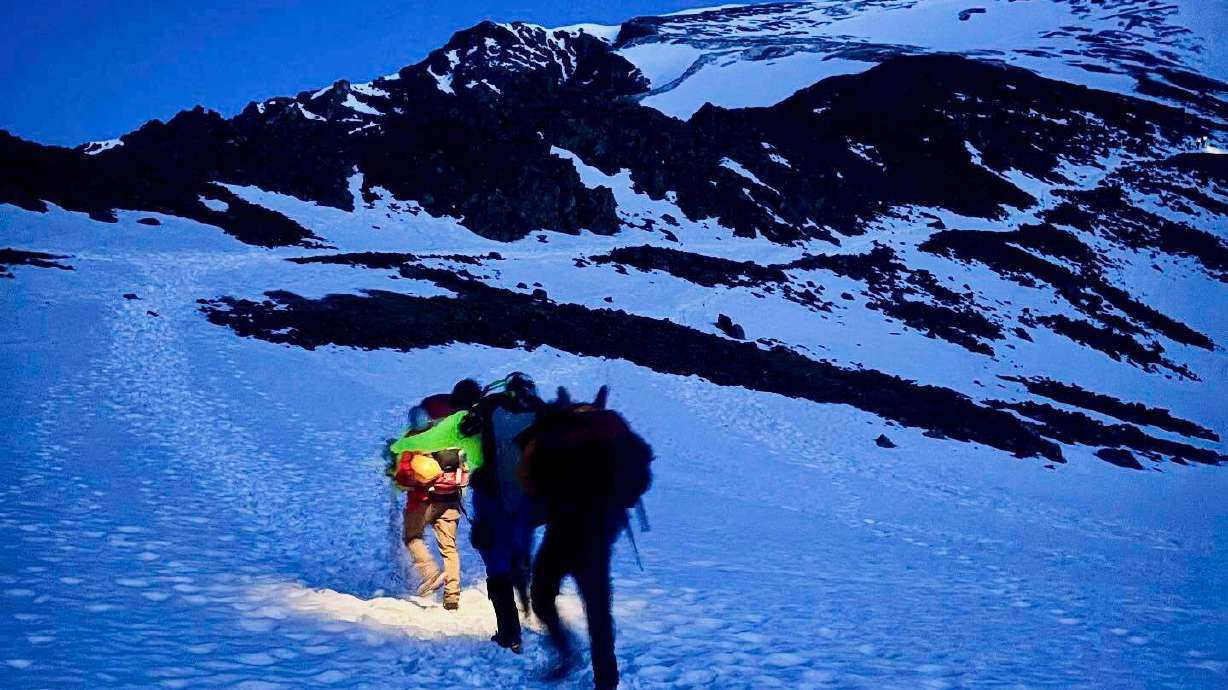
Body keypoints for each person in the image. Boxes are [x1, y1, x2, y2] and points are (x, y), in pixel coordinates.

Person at [390, 373, 543, 652]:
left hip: (492, 504)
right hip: (526, 504)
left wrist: (396, 447)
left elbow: (426, 440)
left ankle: (510, 633)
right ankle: (535, 609)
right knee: (518, 554)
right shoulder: (535, 418)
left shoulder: (470, 422)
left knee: (496, 564)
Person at [517, 388, 653, 690]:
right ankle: (607, 681)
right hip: (599, 532)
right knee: (598, 610)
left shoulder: (554, 431)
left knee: (541, 594)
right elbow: (643, 473)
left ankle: (566, 651)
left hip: (562, 529)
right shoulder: (612, 428)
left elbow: (528, 482)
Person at [391, 404, 469, 610]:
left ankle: (430, 573)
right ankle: (452, 597)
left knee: (412, 537)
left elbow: (403, 475)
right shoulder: (445, 437)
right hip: (451, 499)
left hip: (421, 502)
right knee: (449, 548)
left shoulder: (412, 441)